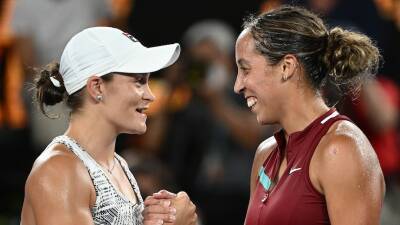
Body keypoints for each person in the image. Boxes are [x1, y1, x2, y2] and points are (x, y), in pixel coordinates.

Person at [21, 27, 197, 225]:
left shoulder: (119, 165)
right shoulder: (58, 170)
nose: (151, 95)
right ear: (97, 87)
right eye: (139, 82)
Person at [233, 6, 385, 225]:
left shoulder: (340, 150)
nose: (237, 85)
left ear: (286, 67)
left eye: (245, 69)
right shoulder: (265, 154)